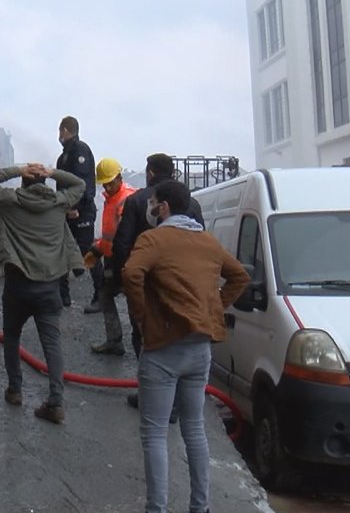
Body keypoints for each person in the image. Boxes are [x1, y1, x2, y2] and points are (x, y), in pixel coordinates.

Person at [121, 180, 249, 513]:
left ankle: (157, 509)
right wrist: (214, 309)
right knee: (195, 429)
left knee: (154, 433)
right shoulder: (207, 241)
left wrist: (141, 318)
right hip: (199, 351)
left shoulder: (152, 239)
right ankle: (200, 507)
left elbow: (131, 272)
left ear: (163, 207)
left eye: (152, 203)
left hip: (163, 349)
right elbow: (239, 276)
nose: (150, 209)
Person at [0, 163, 85, 424]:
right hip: (49, 287)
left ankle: (15, 390)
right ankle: (56, 403)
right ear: (45, 184)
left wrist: (19, 169)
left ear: (24, 182)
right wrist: (53, 172)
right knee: (52, 344)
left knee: (12, 337)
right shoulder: (59, 203)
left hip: (17, 285)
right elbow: (80, 184)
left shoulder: (11, 201)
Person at [111, 153, 205, 364]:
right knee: (181, 332)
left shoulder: (135, 200)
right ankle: (174, 384)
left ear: (150, 173)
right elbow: (202, 243)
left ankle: (149, 386)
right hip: (185, 283)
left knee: (144, 334)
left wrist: (122, 281)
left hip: (146, 283)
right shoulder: (192, 204)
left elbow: (122, 244)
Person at [88, 157, 137, 356]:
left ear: (119, 177)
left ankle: (142, 344)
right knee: (106, 295)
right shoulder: (111, 199)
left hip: (127, 260)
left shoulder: (127, 199)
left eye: (109, 182)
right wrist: (97, 249)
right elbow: (111, 234)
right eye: (104, 183)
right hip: (113, 258)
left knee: (134, 303)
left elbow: (124, 236)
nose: (107, 187)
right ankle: (115, 341)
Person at [56, 116, 99, 309]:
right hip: (67, 212)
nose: (59, 136)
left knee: (88, 251)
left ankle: (100, 295)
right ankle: (62, 296)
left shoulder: (80, 150)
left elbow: (82, 183)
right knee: (62, 251)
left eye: (60, 132)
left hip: (81, 212)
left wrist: (76, 208)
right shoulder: (63, 156)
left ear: (65, 130)